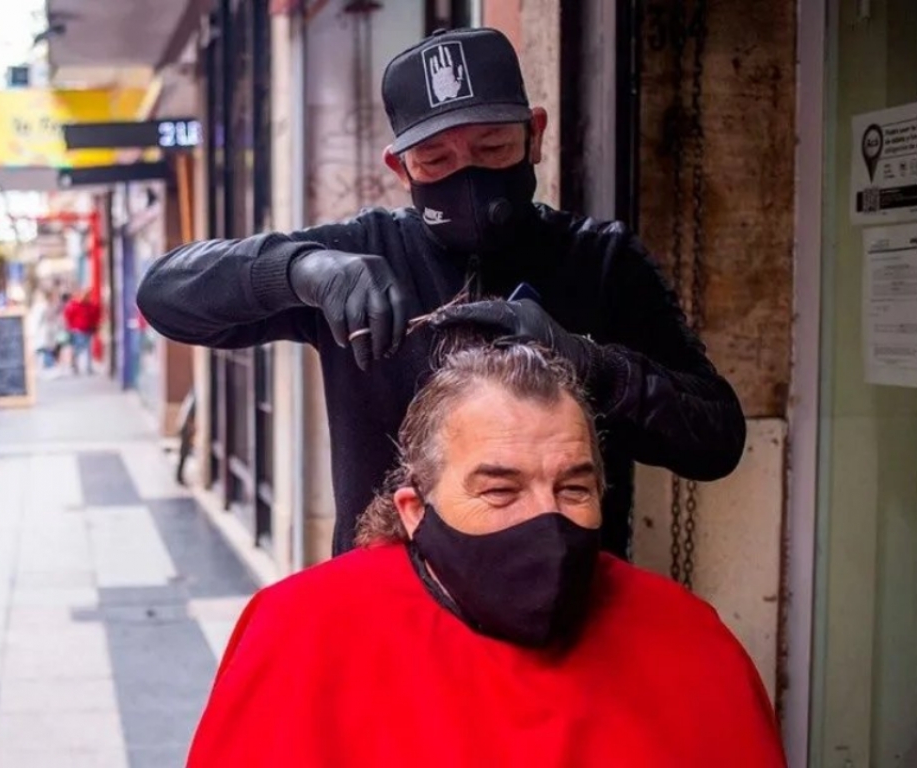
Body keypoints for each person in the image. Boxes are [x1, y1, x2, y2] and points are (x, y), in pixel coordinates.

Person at [136, 27, 745, 558]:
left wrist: (590, 363)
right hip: (388, 617)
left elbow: (716, 439)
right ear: (399, 168)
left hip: (563, 608)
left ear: (535, 136)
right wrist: (301, 271)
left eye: (493, 149)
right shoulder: (364, 252)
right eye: (434, 160)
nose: (468, 177)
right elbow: (165, 295)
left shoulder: (600, 260)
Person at [187, 342, 785, 767]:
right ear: (415, 509)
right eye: (500, 490)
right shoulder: (302, 631)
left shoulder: (685, 636)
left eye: (574, 488)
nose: (544, 517)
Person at [63, 291, 101, 375]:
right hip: (78, 330)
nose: (87, 298)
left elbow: (94, 316)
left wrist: (95, 325)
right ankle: (75, 364)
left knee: (88, 349)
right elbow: (68, 316)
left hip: (88, 329)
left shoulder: (90, 306)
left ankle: (88, 367)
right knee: (79, 348)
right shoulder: (75, 305)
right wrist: (70, 327)